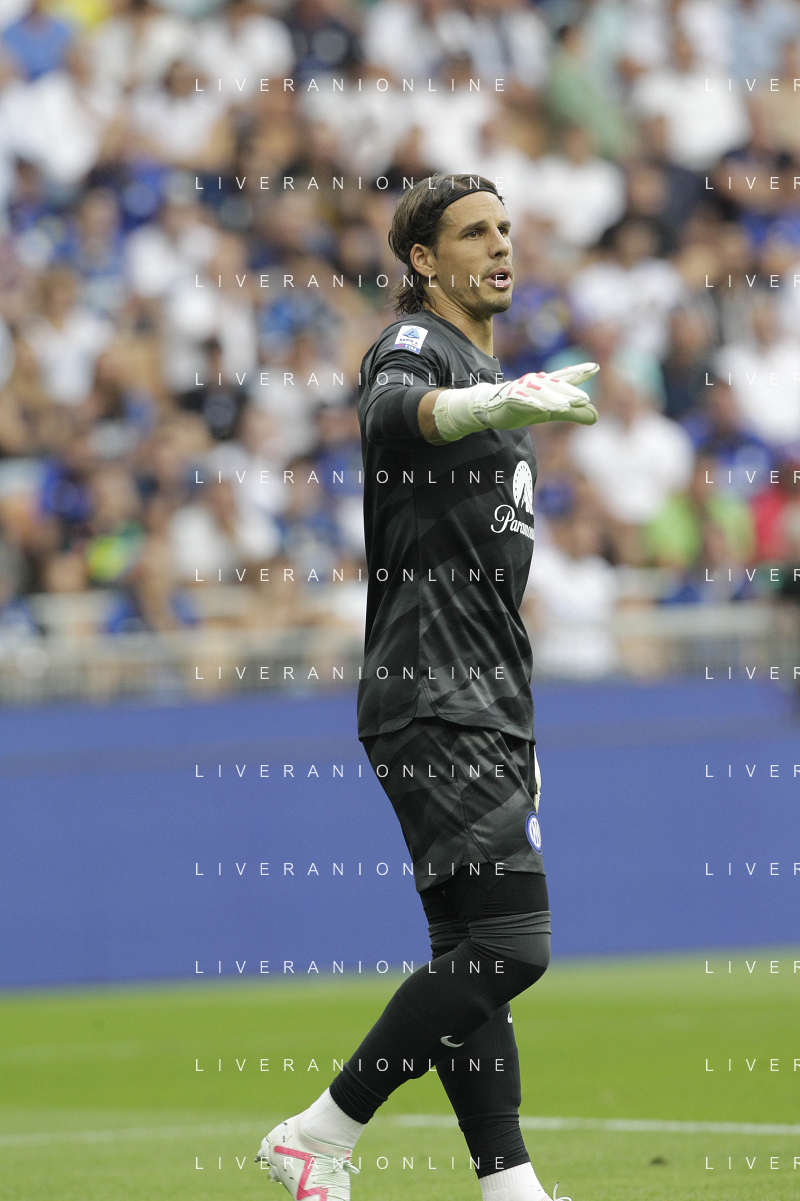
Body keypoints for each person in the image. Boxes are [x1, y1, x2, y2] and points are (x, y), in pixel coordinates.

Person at [255, 174, 600, 1201]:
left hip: (482, 697)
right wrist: (495, 400)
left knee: (468, 943)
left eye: (506, 229)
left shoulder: (488, 374)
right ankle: (320, 1131)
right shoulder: (418, 344)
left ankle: (509, 1185)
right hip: (432, 686)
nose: (500, 245)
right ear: (422, 259)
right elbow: (391, 410)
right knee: (513, 945)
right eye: (473, 232)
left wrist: (520, 733)